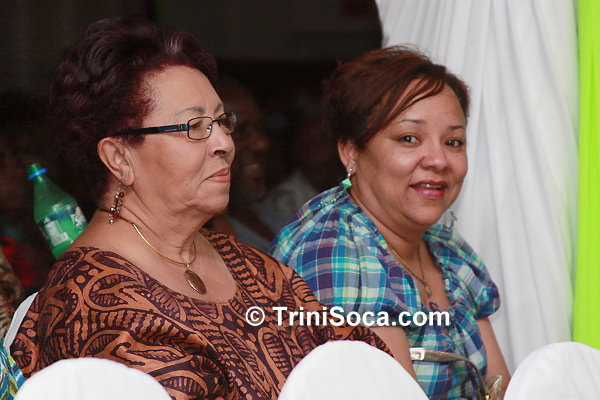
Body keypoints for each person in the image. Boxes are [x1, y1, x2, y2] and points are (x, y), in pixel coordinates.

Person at [10, 16, 389, 400]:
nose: (224, 143)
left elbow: (366, 367)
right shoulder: (95, 301)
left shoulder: (246, 263)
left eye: (222, 122)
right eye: (194, 127)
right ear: (119, 157)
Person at [270, 46, 511, 398]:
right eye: (409, 139)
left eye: (453, 142)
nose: (439, 160)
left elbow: (499, 386)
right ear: (351, 151)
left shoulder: (445, 246)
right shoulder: (336, 253)